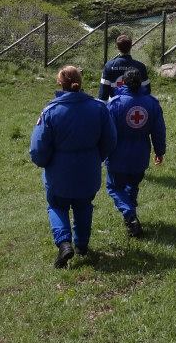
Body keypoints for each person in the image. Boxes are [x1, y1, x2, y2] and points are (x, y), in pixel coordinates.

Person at [29, 65, 116, 268]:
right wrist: (97, 157)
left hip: (59, 173)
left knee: (57, 206)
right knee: (84, 206)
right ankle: (82, 245)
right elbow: (111, 140)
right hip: (88, 170)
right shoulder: (99, 108)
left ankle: (64, 242)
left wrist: (45, 163)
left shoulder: (50, 111)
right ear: (80, 82)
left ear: (60, 83)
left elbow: (37, 149)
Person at [106, 68, 166, 237]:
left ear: (122, 83)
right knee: (133, 185)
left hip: (118, 155)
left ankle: (130, 215)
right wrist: (159, 151)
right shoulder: (152, 103)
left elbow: (107, 132)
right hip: (141, 154)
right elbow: (159, 130)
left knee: (114, 187)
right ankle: (131, 219)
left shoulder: (115, 104)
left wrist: (102, 152)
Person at [99, 33, 150, 100]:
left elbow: (103, 93)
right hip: (136, 103)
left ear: (117, 47)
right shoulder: (140, 66)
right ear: (131, 46)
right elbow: (147, 90)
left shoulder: (109, 66)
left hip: (115, 103)